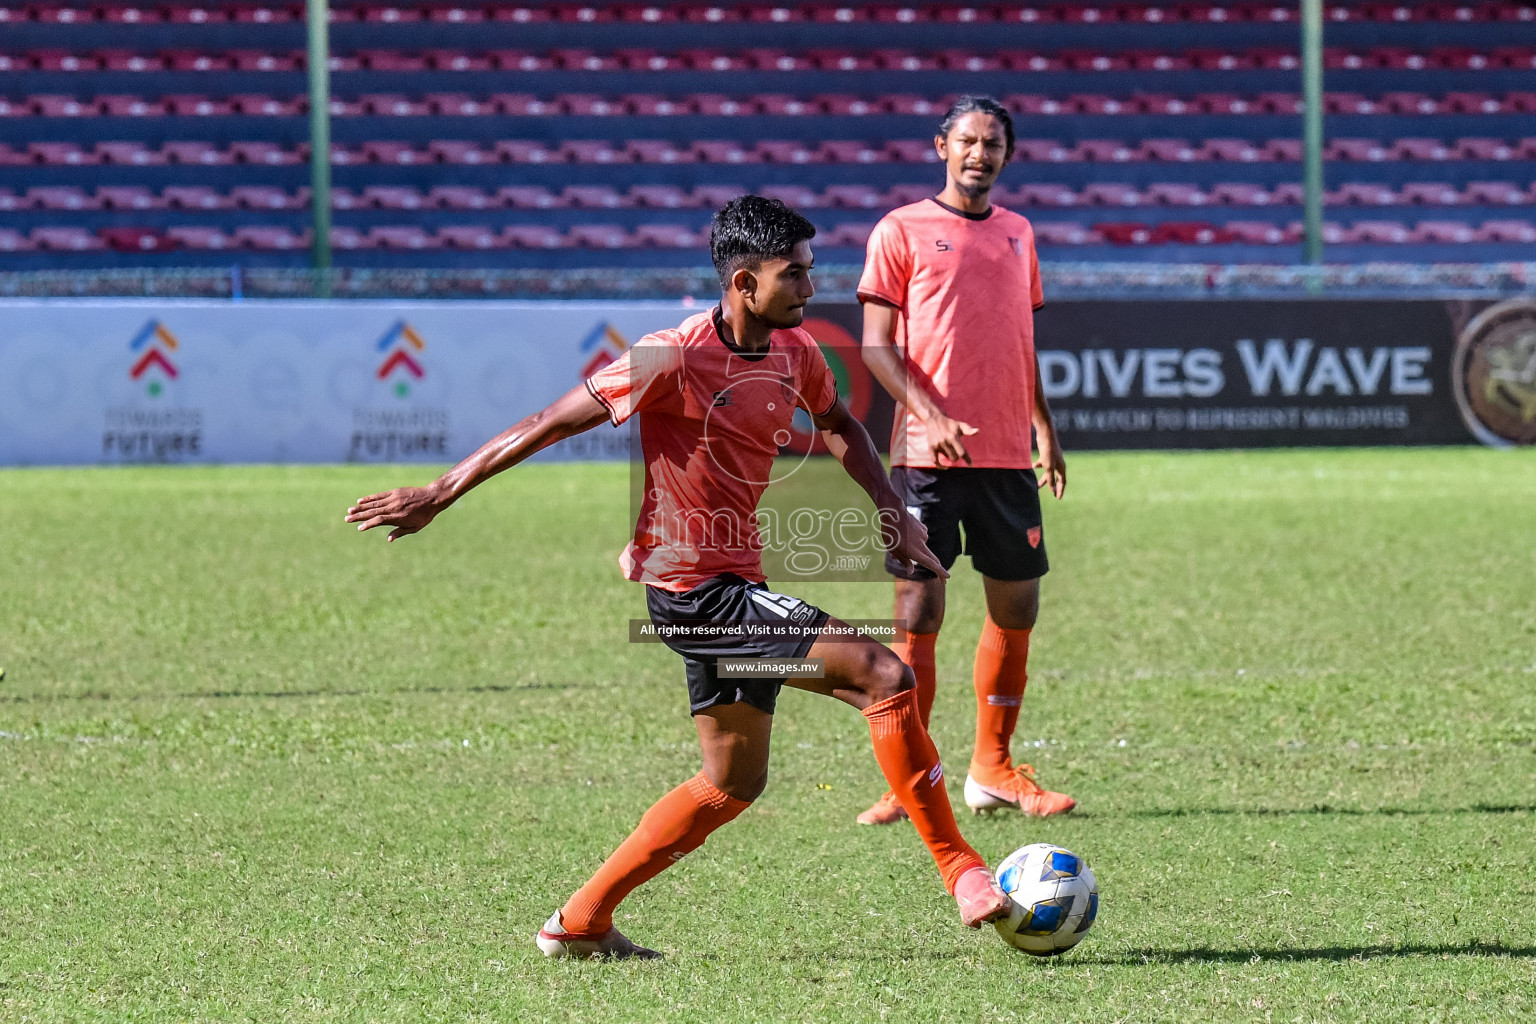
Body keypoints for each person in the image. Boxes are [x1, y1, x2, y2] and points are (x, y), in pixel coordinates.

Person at [346, 196, 1012, 960]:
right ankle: (961, 869)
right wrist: (441, 491)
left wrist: (892, 514)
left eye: (810, 269)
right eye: (793, 273)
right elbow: (548, 421)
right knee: (882, 675)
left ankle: (579, 923)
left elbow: (841, 426)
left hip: (729, 585)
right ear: (741, 281)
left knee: (731, 782)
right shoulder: (669, 354)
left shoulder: (793, 351)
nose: (809, 286)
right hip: (697, 596)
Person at [852, 96, 1076, 828]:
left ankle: (993, 769)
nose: (979, 154)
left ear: (1007, 155)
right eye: (968, 141)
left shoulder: (1019, 233)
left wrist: (1044, 424)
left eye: (993, 144)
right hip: (928, 455)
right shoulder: (901, 230)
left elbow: (1021, 341)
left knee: (1017, 608)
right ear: (942, 146)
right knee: (920, 611)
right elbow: (877, 346)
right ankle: (906, 778)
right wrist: (929, 415)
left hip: (1008, 453)